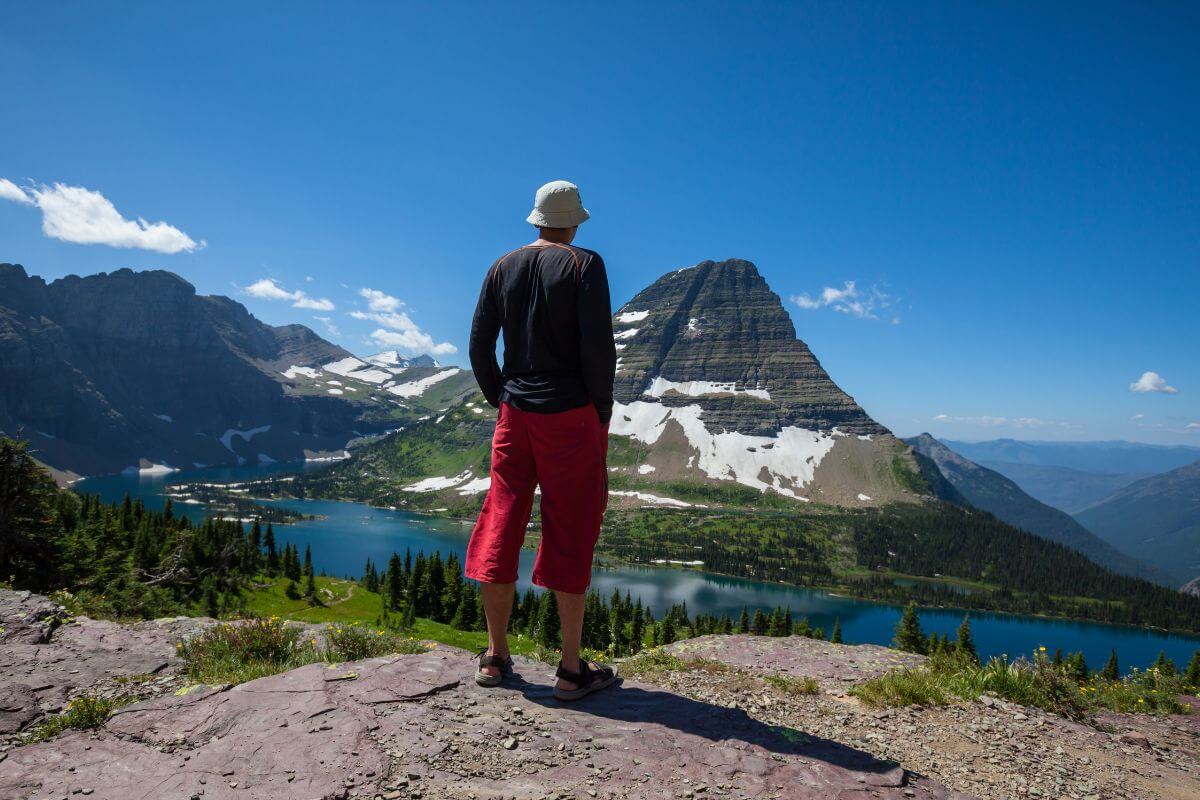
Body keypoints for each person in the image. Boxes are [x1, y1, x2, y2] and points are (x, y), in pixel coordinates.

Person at [465, 180, 617, 701]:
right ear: (574, 222)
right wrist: (600, 412)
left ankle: (495, 655)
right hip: (569, 412)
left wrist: (501, 397)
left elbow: (479, 345)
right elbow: (598, 349)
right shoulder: (584, 265)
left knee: (502, 516)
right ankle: (571, 670)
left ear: (535, 220)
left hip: (516, 410)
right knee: (571, 525)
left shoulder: (501, 267)